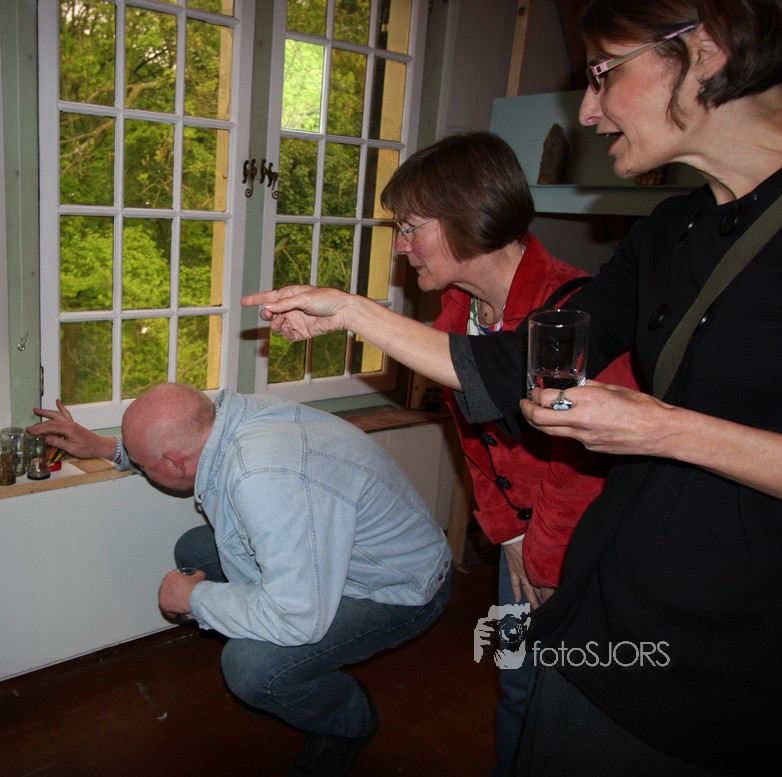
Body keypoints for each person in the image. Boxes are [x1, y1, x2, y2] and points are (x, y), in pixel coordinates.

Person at [242, 1, 782, 774]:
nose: (588, 111)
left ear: (707, 50)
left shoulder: (577, 281)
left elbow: (581, 459)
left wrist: (661, 431)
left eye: (603, 74)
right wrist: (351, 311)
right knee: (525, 701)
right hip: (615, 583)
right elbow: (502, 373)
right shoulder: (669, 231)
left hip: (729, 643)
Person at [375, 129, 639, 777]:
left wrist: (541, 555)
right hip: (524, 542)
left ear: (466, 215)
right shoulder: (458, 314)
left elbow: (583, 468)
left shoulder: (576, 313)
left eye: (410, 227)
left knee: (569, 700)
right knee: (517, 684)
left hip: (581, 550)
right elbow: (474, 439)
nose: (401, 245)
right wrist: (508, 535)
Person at [29, 384, 452, 776]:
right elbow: (169, 450)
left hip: (397, 586)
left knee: (251, 669)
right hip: (334, 555)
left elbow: (297, 616)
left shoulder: (264, 479)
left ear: (175, 462)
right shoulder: (224, 418)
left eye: (143, 464)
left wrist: (195, 600)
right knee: (196, 551)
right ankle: (286, 671)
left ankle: (347, 719)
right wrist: (104, 447)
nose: (140, 466)